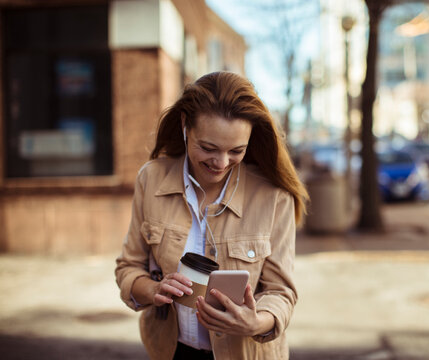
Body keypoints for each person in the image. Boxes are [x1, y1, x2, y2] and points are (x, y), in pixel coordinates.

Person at [115, 71, 309, 360]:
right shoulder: (151, 178)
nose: (221, 163)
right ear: (185, 126)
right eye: (208, 148)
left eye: (236, 151)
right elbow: (128, 267)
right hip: (169, 352)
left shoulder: (273, 195)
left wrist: (257, 322)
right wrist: (153, 288)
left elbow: (281, 291)